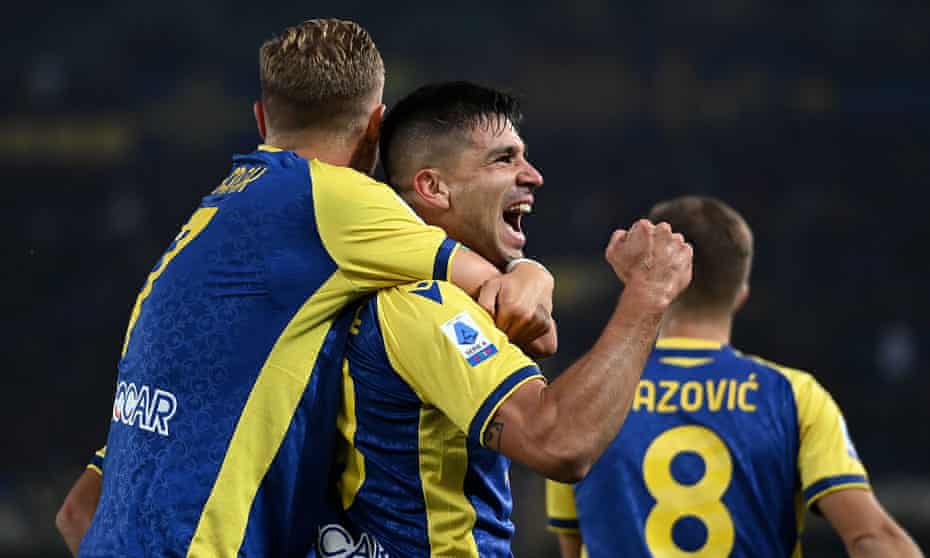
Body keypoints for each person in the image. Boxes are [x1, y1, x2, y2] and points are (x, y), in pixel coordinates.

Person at [65, 19, 556, 558]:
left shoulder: (213, 219)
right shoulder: (334, 199)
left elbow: (77, 513)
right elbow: (509, 300)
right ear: (376, 126)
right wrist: (535, 273)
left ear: (260, 118)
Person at [320, 82, 693, 557]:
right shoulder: (423, 304)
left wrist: (528, 272)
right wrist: (649, 295)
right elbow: (559, 441)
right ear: (433, 187)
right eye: (504, 159)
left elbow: (540, 334)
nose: (533, 176)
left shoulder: (361, 280)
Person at [545, 196, 924, 558]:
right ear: (741, 293)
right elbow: (871, 537)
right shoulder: (793, 396)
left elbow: (574, 547)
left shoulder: (583, 398)